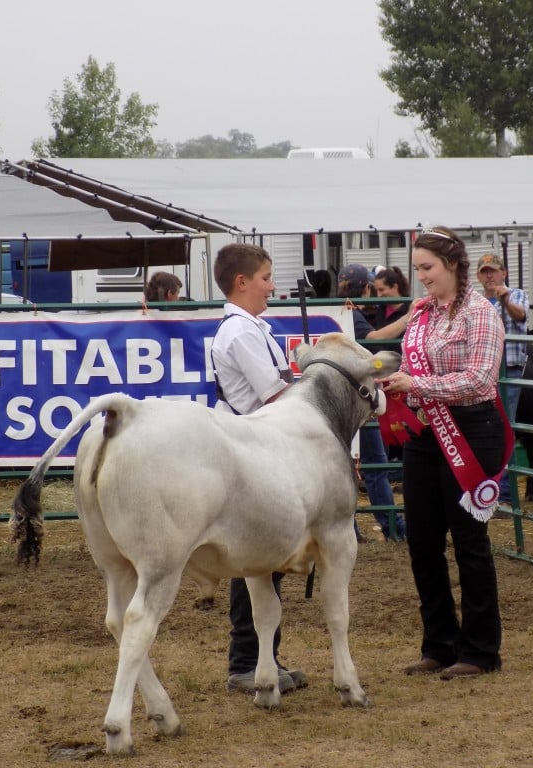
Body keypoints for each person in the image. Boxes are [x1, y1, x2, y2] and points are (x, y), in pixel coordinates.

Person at [377, 226, 512, 680]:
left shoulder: (482, 313)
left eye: (427, 268)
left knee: (469, 541)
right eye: (417, 269)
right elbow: (411, 366)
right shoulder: (422, 314)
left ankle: (480, 650)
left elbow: (480, 381)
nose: (422, 277)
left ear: (453, 264)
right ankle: (439, 642)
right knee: (422, 541)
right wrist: (393, 379)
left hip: (473, 430)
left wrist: (419, 385)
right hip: (424, 433)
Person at [209, 243, 307, 695]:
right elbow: (273, 394)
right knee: (253, 560)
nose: (272, 285)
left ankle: (265, 657)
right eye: (266, 277)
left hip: (258, 446)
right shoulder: (241, 334)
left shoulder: (250, 328)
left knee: (264, 559)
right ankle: (246, 661)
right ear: (242, 282)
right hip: (253, 448)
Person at [336, 263, 407, 542]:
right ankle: (392, 527)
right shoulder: (352, 316)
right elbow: (373, 339)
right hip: (358, 398)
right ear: (365, 288)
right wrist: (409, 317)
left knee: (347, 462)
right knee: (374, 462)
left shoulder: (340, 312)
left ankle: (352, 529)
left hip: (340, 399)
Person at [475, 253, 529, 505]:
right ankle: (487, 487)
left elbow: (520, 315)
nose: (489, 276)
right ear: (477, 276)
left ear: (504, 273)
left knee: (505, 426)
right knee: (485, 427)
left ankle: (505, 492)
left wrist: (504, 299)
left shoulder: (515, 295)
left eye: (493, 271)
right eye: (484, 272)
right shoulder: (473, 302)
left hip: (508, 368)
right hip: (483, 371)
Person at [372, 266, 410, 330]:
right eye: (377, 290)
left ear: (395, 287)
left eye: (381, 290)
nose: (378, 295)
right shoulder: (380, 309)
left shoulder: (410, 308)